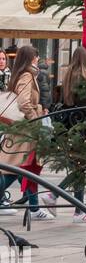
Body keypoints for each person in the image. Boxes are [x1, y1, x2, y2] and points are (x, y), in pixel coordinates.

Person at [0, 44, 52, 219]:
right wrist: (34, 118)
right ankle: (34, 208)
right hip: (25, 130)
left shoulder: (23, 74)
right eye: (36, 56)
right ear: (31, 58)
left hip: (21, 130)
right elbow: (23, 103)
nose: (38, 59)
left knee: (26, 169)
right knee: (17, 171)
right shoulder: (27, 75)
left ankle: (34, 208)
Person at [53, 47, 86, 222]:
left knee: (79, 168)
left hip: (68, 127)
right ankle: (54, 194)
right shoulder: (84, 77)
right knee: (80, 168)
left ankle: (79, 210)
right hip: (81, 128)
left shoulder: (68, 75)